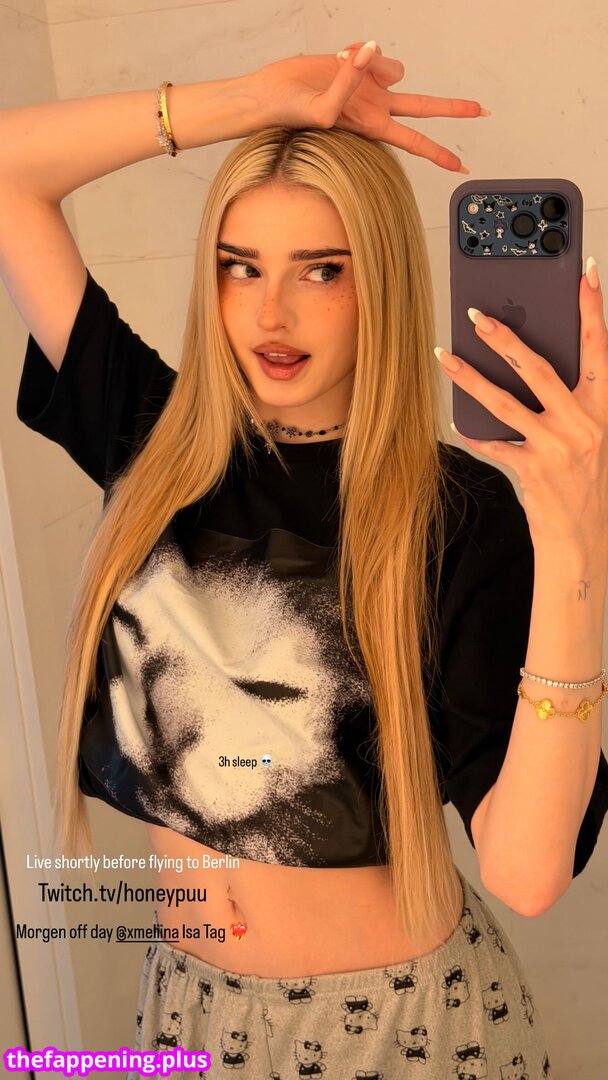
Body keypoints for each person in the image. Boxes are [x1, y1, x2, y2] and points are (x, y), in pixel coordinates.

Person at [4, 38, 608, 1079]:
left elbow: (526, 873)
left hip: (402, 1029)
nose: (269, 314)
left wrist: (573, 540)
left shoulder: (455, 512)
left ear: (379, 281)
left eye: (320, 270)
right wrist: (250, 101)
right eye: (239, 267)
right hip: (186, 1015)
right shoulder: (151, 437)